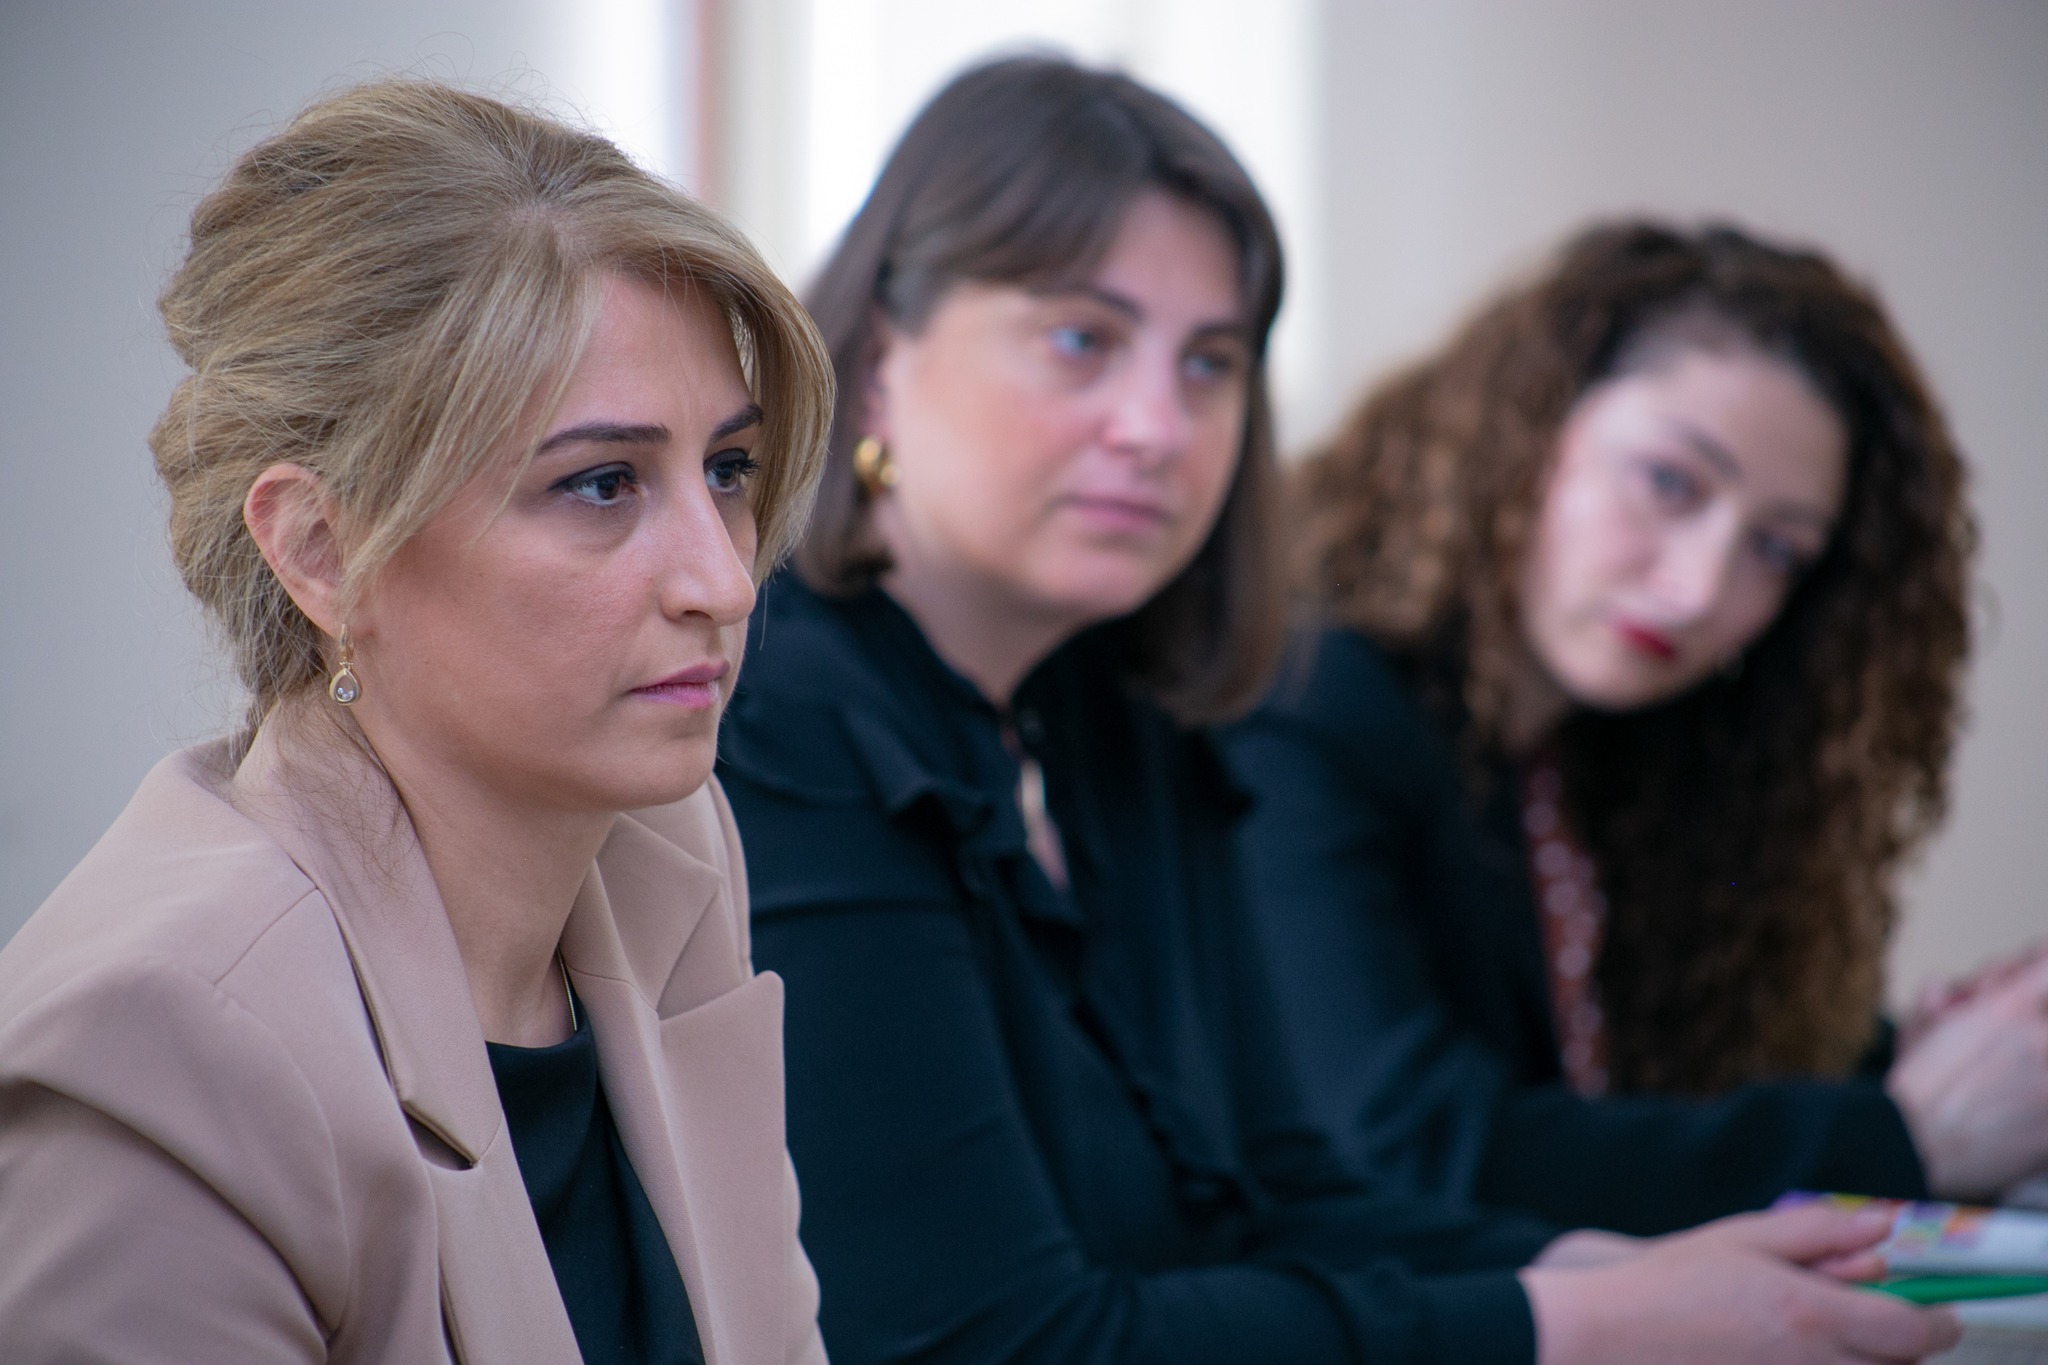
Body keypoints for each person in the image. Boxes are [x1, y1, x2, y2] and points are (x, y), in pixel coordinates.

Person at [718, 58, 1957, 1365]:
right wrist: (1594, 1318)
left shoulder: (1116, 719)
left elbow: (1276, 1195)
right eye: (1083, 339)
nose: (1159, 426)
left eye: (1211, 363)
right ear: (879, 358)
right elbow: (997, 1342)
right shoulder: (784, 721)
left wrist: (1632, 1268)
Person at [0, 81, 832, 1362]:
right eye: (601, 484)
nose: (724, 581)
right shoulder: (160, 1044)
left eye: (727, 470)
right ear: (321, 551)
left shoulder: (662, 847)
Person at [1223, 220, 2048, 1237]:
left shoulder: (1619, 757)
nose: (1699, 587)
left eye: (1777, 551)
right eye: (1669, 483)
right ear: (1521, 431)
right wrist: (1907, 1133)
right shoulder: (1305, 706)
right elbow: (1407, 1152)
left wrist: (1953, 1063)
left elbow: (1667, 1091)